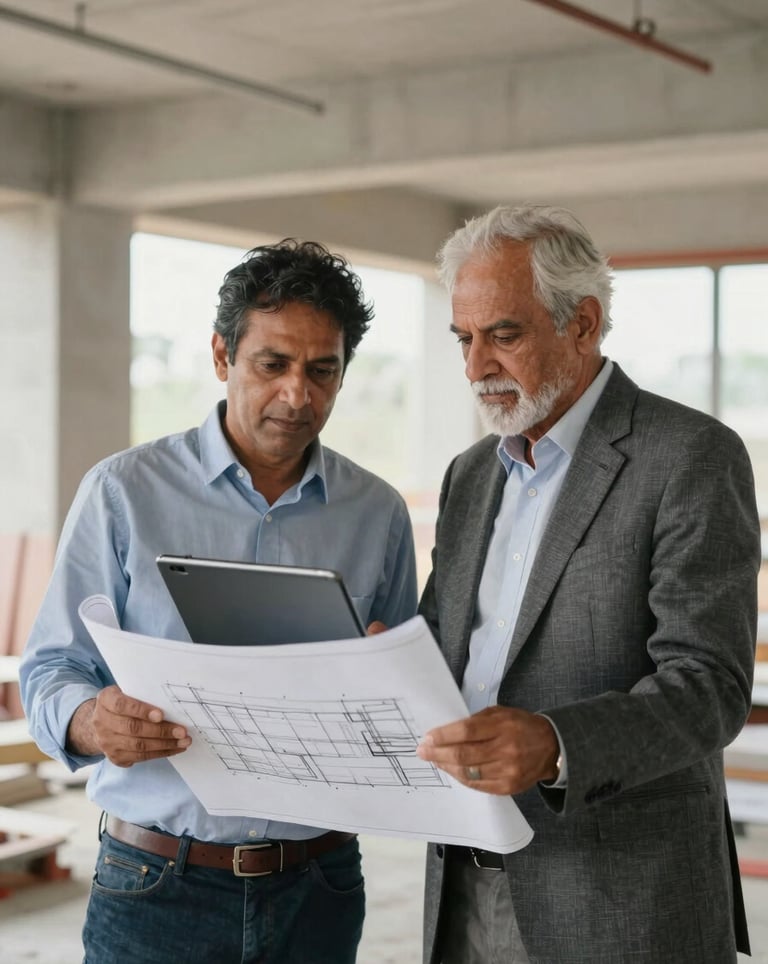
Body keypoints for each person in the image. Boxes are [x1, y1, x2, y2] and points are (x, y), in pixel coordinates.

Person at [20, 239, 418, 964]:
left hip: (321, 888)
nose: (298, 395)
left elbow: (407, 698)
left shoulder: (377, 513)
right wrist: (88, 720)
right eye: (273, 365)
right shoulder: (122, 493)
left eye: (322, 371)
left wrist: (396, 688)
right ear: (221, 355)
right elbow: (49, 668)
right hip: (155, 882)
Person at [415, 204, 761, 963]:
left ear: (582, 324)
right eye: (463, 340)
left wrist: (555, 744)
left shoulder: (690, 457)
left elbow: (709, 685)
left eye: (503, 335)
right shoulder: (469, 477)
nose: (476, 367)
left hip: (623, 905)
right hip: (463, 889)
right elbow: (448, 651)